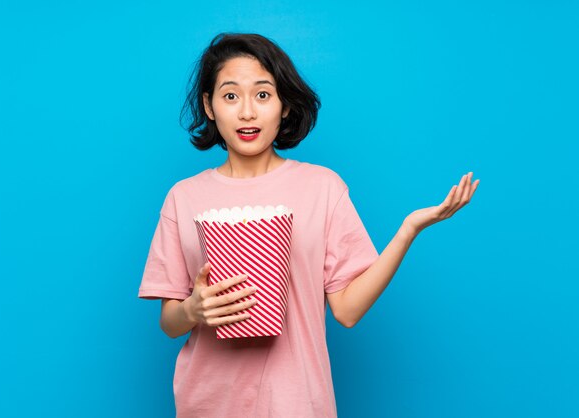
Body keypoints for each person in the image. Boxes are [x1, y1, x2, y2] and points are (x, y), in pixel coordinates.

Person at [138, 32, 479, 418]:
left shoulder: (323, 188)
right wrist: (193, 311)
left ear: (284, 105)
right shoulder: (183, 198)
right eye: (230, 96)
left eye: (263, 95)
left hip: (297, 404)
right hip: (208, 404)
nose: (247, 112)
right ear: (210, 106)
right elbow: (169, 322)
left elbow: (348, 310)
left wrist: (408, 231)